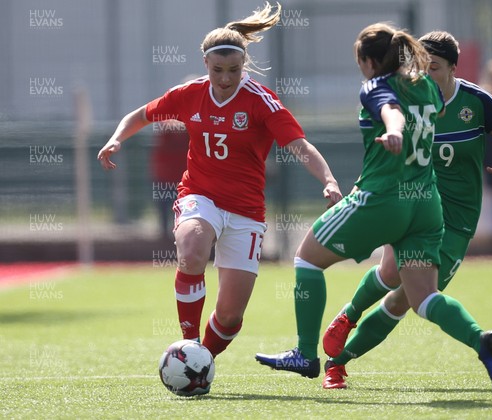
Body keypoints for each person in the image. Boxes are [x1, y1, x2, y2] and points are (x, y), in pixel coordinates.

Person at [256, 24, 492, 398]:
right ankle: (480, 341)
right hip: (426, 205)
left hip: (383, 197)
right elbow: (430, 111)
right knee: (423, 298)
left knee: (306, 260)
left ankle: (305, 354)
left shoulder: (376, 86)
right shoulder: (426, 87)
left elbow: (391, 111)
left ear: (368, 61)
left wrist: (393, 129)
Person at [97, 3, 342, 364]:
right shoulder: (189, 94)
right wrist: (117, 138)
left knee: (230, 316)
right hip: (200, 194)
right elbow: (141, 115)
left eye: (233, 70)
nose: (225, 78)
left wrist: (329, 179)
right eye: (218, 70)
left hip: (246, 210)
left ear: (243, 66)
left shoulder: (261, 101)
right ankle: (188, 345)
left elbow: (298, 146)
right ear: (205, 65)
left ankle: (201, 361)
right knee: (192, 248)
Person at [321, 30, 492, 398]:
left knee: (403, 299)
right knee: (390, 275)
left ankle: (338, 360)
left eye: (434, 67)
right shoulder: (406, 98)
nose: (426, 73)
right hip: (412, 203)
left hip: (456, 220)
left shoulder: (477, 102)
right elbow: (381, 153)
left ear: (452, 69)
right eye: (420, 65)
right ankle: (346, 325)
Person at [150, 75, 198, 239]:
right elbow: (170, 124)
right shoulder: (173, 108)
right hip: (166, 176)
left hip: (190, 178)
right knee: (165, 217)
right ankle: (164, 244)